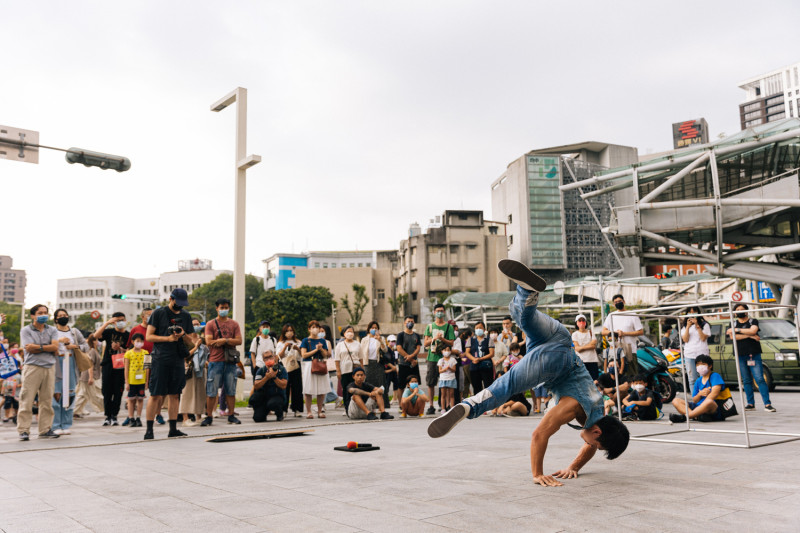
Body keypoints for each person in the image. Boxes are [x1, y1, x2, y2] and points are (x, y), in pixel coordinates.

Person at [428, 260, 629, 487]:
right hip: (554, 361)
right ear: (597, 431)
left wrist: (573, 467)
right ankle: (469, 406)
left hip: (560, 337)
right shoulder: (575, 406)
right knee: (509, 385)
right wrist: (538, 473)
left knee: (523, 316)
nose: (593, 446)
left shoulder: (599, 412)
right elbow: (539, 434)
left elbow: (589, 446)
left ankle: (528, 291)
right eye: (598, 444)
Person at [145, 288, 197, 439]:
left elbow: (191, 341)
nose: (180, 307)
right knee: (155, 394)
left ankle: (173, 429)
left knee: (175, 394)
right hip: (160, 358)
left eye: (182, 304)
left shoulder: (186, 316)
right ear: (171, 299)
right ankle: (149, 430)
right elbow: (149, 336)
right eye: (178, 303)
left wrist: (183, 335)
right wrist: (167, 339)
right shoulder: (158, 313)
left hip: (177, 359)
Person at [17, 304, 61, 440]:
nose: (43, 315)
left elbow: (55, 346)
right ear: (33, 315)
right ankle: (24, 430)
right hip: (32, 367)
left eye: (45, 312)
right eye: (40, 313)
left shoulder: (52, 330)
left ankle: (45, 429)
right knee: (27, 399)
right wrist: (48, 347)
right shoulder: (26, 330)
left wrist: (39, 347)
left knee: (47, 400)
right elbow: (29, 349)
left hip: (49, 367)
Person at [202, 298, 243, 426]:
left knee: (231, 390)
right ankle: (209, 416)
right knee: (211, 390)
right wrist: (229, 340)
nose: (224, 310)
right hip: (215, 361)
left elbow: (239, 340)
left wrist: (223, 341)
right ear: (217, 308)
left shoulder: (234, 324)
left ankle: (231, 415)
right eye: (222, 307)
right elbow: (208, 341)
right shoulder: (210, 324)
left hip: (230, 361)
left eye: (226, 307)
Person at [726, 303, 775, 412]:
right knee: (746, 380)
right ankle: (750, 404)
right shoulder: (733, 322)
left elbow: (753, 330)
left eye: (741, 309)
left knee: (759, 378)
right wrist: (749, 336)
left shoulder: (753, 321)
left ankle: (767, 404)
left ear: (746, 311)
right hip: (740, 354)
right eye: (737, 310)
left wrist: (738, 330)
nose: (739, 311)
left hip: (753, 354)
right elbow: (732, 336)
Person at [51, 308, 88, 435]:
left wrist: (75, 346)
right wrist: (59, 341)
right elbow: (46, 344)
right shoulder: (51, 331)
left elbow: (86, 346)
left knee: (70, 394)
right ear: (56, 318)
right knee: (56, 395)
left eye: (65, 315)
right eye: (60, 315)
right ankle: (55, 425)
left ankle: (66, 424)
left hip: (71, 363)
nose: (63, 317)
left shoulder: (74, 332)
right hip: (56, 363)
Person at [670, 355, 737, 423]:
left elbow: (714, 394)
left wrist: (700, 407)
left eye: (703, 364)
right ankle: (696, 416)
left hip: (714, 408)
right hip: (698, 406)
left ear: (710, 366)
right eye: (698, 364)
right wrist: (699, 394)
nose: (700, 366)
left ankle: (685, 417)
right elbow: (695, 400)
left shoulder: (715, 376)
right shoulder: (698, 380)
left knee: (709, 401)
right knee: (676, 400)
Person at [94, 312, 130, 426]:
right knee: (106, 391)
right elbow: (96, 336)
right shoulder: (109, 332)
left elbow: (130, 350)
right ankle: (107, 416)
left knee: (118, 391)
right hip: (108, 365)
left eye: (122, 320)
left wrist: (121, 348)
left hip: (121, 366)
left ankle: (114, 415)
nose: (120, 322)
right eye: (117, 320)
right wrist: (107, 323)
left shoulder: (128, 335)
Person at [423, 304, 456, 415]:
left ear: (444, 312)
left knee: (445, 383)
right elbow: (425, 342)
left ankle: (444, 405)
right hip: (432, 357)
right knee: (431, 382)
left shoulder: (448, 327)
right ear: (434, 312)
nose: (440, 313)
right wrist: (434, 338)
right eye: (437, 311)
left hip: (444, 358)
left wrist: (442, 339)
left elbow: (451, 342)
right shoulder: (430, 327)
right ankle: (431, 405)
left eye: (441, 311)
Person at [601, 294, 643, 376]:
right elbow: (603, 331)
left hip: (629, 349)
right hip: (615, 349)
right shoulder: (611, 315)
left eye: (620, 301)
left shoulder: (632, 314)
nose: (618, 303)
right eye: (615, 302)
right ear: (613, 304)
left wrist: (624, 333)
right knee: (617, 374)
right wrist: (615, 333)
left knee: (631, 373)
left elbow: (640, 331)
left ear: (624, 301)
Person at [180, 319, 208, 427]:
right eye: (193, 325)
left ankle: (199, 416)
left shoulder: (202, 339)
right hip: (189, 367)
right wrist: (196, 347)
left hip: (200, 368)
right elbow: (185, 355)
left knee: (200, 393)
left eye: (197, 324)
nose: (196, 326)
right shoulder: (185, 339)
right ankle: (185, 418)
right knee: (187, 392)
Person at [300, 320, 330, 419]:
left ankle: (319, 410)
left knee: (321, 389)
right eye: (313, 327)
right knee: (308, 389)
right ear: (309, 329)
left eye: (316, 327)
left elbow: (326, 354)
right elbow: (303, 354)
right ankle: (309, 411)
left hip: (320, 364)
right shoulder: (305, 340)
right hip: (309, 364)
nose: (315, 329)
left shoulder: (322, 341)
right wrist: (315, 350)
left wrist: (321, 349)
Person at [250, 351, 288, 422]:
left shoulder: (281, 369)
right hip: (264, 397)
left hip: (277, 396)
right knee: (257, 418)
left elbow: (283, 385)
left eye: (270, 356)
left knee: (273, 403)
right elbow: (256, 386)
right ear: (263, 360)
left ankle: (279, 413)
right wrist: (266, 377)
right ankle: (262, 412)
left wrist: (274, 377)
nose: (268, 359)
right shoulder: (261, 370)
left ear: (274, 357)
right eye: (266, 358)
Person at [334, 325, 363, 415]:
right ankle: (347, 408)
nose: (350, 333)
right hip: (344, 370)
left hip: (356, 369)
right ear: (344, 333)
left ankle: (356, 407)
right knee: (346, 389)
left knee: (356, 388)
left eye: (352, 331)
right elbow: (337, 359)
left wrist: (362, 370)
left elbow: (361, 358)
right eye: (348, 332)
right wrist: (338, 371)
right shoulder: (340, 345)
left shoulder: (357, 344)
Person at [680, 306, 710, 392]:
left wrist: (697, 325)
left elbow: (703, 338)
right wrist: (688, 327)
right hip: (689, 354)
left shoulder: (705, 324)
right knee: (692, 378)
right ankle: (695, 397)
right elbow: (685, 339)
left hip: (702, 353)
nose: (692, 314)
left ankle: (705, 396)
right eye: (690, 312)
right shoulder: (684, 326)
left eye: (694, 312)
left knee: (703, 376)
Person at [276, 324, 303, 417]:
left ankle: (297, 409)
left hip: (296, 364)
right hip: (284, 365)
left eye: (291, 330)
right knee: (285, 387)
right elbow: (279, 356)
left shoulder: (298, 342)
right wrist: (285, 347)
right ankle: (284, 409)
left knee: (297, 388)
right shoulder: (280, 343)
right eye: (287, 331)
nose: (289, 332)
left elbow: (302, 355)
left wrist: (297, 348)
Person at [74, 335, 104, 417]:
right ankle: (107, 407)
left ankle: (75, 411)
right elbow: (90, 365)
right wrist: (91, 377)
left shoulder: (93, 350)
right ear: (93, 341)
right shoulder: (92, 351)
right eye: (97, 340)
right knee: (95, 394)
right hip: (89, 376)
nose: (98, 342)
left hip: (87, 376)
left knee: (83, 395)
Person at [122, 333, 148, 428]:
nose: (139, 343)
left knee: (140, 399)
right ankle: (131, 418)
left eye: (141, 341)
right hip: (132, 380)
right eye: (137, 341)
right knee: (131, 400)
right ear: (132, 342)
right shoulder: (128, 353)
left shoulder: (145, 353)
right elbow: (126, 368)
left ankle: (138, 418)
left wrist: (146, 381)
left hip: (141, 380)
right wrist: (127, 382)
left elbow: (148, 368)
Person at [360, 321, 387, 404]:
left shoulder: (381, 338)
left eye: (376, 328)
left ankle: (381, 403)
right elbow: (361, 352)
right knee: (368, 383)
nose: (374, 329)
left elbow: (385, 350)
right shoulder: (364, 339)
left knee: (380, 383)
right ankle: (369, 403)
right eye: (372, 328)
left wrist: (380, 341)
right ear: (369, 329)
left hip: (378, 363)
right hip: (367, 364)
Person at [465, 321, 494, 395]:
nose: (478, 329)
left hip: (486, 366)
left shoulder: (488, 339)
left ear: (484, 329)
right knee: (476, 387)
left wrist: (480, 359)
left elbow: (491, 353)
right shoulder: (471, 340)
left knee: (488, 387)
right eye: (476, 328)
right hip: (474, 367)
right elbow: (467, 352)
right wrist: (473, 359)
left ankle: (489, 404)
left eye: (480, 328)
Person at [395, 316, 422, 396]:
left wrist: (412, 357)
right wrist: (409, 358)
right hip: (403, 364)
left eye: (412, 321)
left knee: (415, 385)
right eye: (408, 321)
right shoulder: (400, 335)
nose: (410, 323)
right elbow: (399, 348)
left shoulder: (416, 335)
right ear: (404, 323)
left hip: (414, 364)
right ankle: (401, 405)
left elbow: (418, 348)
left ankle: (414, 402)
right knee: (401, 386)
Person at [572, 315, 599, 380]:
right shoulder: (575, 334)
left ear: (586, 322)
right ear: (576, 323)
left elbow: (593, 345)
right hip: (581, 361)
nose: (582, 322)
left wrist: (582, 347)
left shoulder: (591, 332)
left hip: (592, 360)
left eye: (583, 320)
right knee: (582, 380)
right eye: (580, 320)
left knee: (594, 380)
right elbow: (577, 349)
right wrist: (589, 346)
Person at [437, 347, 457, 412]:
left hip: (451, 378)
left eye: (448, 350)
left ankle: (452, 408)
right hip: (443, 379)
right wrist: (445, 369)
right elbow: (439, 371)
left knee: (451, 394)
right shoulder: (440, 360)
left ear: (450, 351)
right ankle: (443, 408)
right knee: (443, 394)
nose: (446, 351)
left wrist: (450, 368)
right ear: (442, 351)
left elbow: (454, 370)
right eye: (445, 350)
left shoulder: (453, 360)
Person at [384, 335, 401, 405]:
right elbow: (386, 361)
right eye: (391, 341)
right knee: (387, 384)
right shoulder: (386, 350)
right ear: (388, 342)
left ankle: (394, 398)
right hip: (388, 370)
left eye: (394, 341)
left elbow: (395, 361)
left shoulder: (394, 351)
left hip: (393, 370)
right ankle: (386, 399)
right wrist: (392, 367)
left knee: (396, 383)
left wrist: (396, 369)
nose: (393, 343)